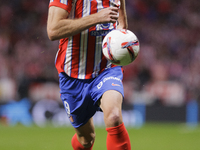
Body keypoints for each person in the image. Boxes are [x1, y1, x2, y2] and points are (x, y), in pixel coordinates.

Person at [47, 0, 131, 149]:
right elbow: (53, 30)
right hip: (72, 76)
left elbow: (121, 23)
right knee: (86, 139)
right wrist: (96, 18)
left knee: (114, 117)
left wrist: (124, 36)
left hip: (106, 69)